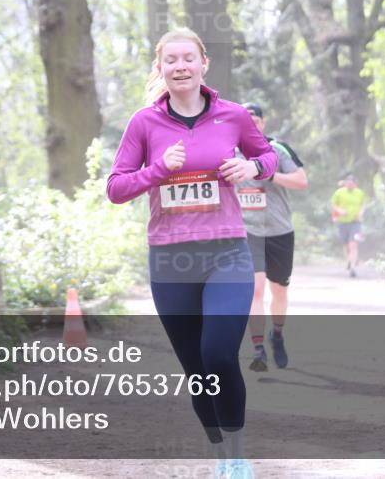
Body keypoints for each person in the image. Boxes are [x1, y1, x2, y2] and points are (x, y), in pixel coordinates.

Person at [107, 28, 277, 479]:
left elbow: (268, 157)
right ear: (160, 69)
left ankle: (239, 456)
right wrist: (158, 170)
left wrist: (252, 166)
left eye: (188, 58)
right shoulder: (145, 123)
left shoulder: (233, 116)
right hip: (170, 259)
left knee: (219, 354)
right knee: (197, 367)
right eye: (170, 60)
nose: (180, 67)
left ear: (204, 64)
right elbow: (116, 188)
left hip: (226, 253)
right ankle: (219, 452)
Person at [236, 103, 307, 372]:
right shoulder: (230, 151)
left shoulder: (278, 149)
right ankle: (257, 350)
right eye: (246, 118)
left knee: (279, 290)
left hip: (279, 231)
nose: (251, 122)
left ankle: (276, 334)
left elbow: (301, 181)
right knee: (255, 290)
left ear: (263, 123)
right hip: (247, 231)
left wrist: (266, 171)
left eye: (255, 119)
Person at [330, 175, 366, 277]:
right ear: (345, 183)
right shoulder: (339, 192)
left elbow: (362, 205)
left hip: (356, 222)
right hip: (342, 222)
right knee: (346, 245)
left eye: (352, 183)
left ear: (355, 184)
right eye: (348, 183)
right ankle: (349, 261)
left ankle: (353, 267)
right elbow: (334, 205)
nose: (350, 185)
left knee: (353, 244)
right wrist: (340, 211)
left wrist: (360, 213)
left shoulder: (359, 193)